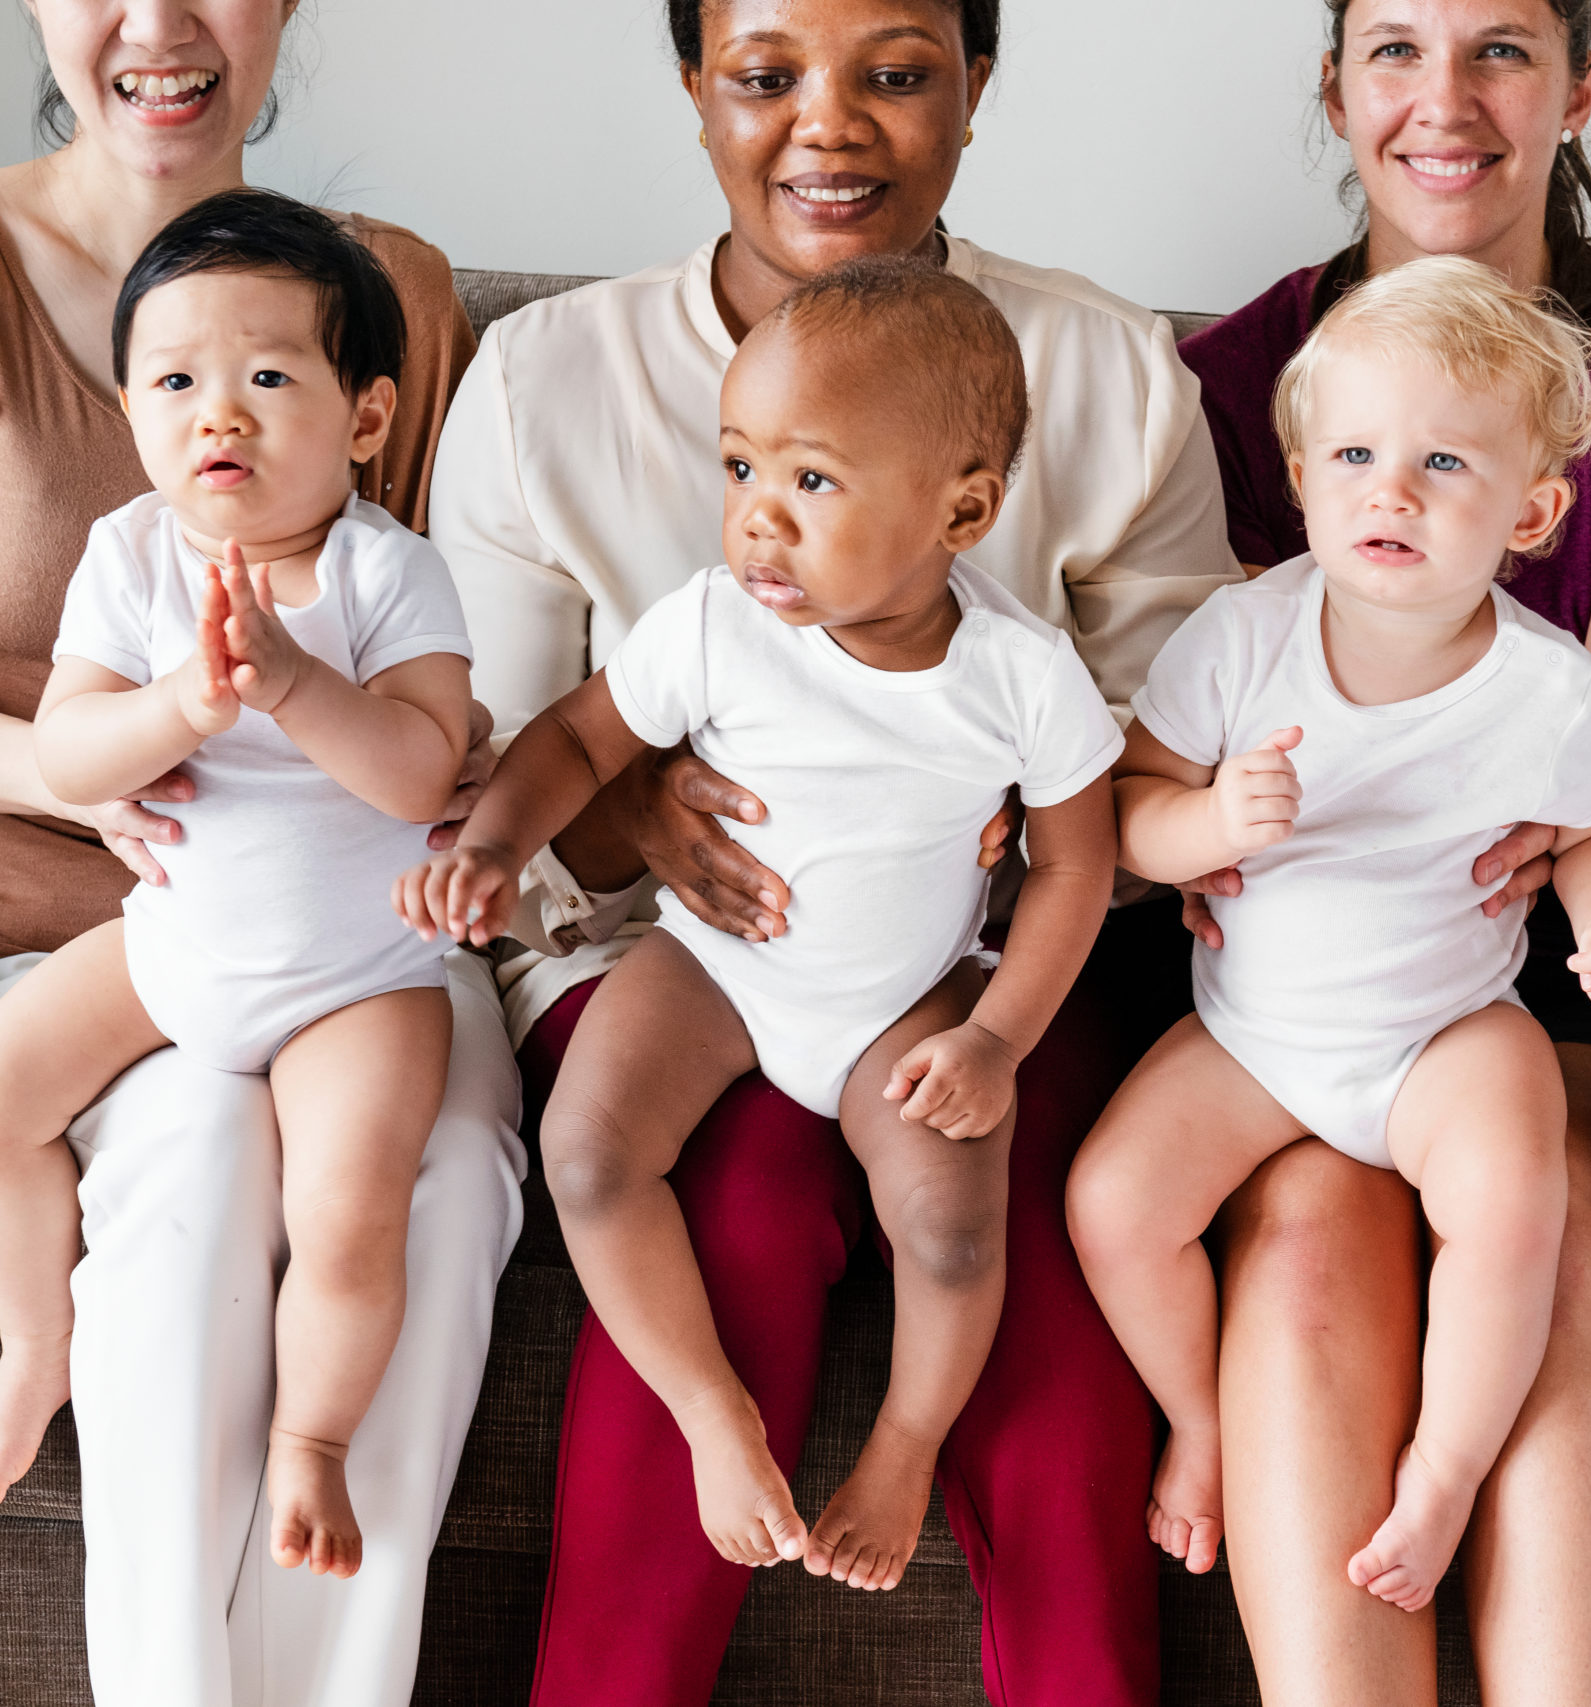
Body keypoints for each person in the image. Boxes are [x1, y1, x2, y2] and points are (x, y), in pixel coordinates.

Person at [428, 1, 1239, 1698]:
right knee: (728, 1193)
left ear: (974, 89)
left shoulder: (1098, 372)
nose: (830, 125)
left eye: (895, 70)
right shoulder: (547, 373)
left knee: (1019, 1215)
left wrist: (1007, 951)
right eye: (765, 73)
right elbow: (504, 741)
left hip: (966, 953)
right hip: (671, 950)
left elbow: (1156, 771)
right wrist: (639, 802)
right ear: (693, 91)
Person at [0, 3, 518, 1703]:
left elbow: (445, 672)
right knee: (198, 1172)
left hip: (358, 934)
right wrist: (97, 779)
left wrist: (456, 782)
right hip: (39, 951)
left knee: (433, 1183)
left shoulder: (391, 297)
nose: (159, 23)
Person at [1173, 1, 1591, 1695]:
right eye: (1393, 48)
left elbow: (1581, 790)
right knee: (1314, 1239)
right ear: (1334, 87)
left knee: (1560, 1236)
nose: (1443, 101)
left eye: (1502, 50)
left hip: (1534, 987)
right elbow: (1198, 723)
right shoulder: (1244, 386)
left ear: (1581, 89)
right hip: (1297, 992)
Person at [411, 258, 1120, 1594]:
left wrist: (996, 1040)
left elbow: (1080, 868)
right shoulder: (714, 625)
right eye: (741, 470)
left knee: (958, 1223)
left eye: (813, 482)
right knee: (587, 1154)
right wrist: (495, 843)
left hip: (899, 1000)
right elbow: (575, 736)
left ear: (961, 508)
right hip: (717, 966)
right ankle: (709, 1413)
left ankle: (903, 1451)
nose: (757, 523)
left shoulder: (1023, 679)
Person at [1070, 256, 1591, 1614]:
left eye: (1446, 462)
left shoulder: (1548, 691)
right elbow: (1125, 810)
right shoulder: (1242, 636)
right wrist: (1209, 821)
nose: (1392, 491)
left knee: (1519, 1204)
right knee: (1114, 1206)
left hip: (1444, 1035)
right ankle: (1202, 1416)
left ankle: (1446, 1470)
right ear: (1299, 479)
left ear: (1533, 511)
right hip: (1256, 1039)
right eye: (1355, 454)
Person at [0, 189, 479, 1582]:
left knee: (350, 1207)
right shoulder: (129, 558)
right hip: (171, 949)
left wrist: (292, 683)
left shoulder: (388, 575)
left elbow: (426, 773)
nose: (218, 415)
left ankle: (312, 1441)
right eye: (177, 382)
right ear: (131, 417)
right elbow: (69, 748)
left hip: (354, 984)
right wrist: (181, 703)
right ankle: (36, 1337)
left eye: (267, 377)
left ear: (364, 418)